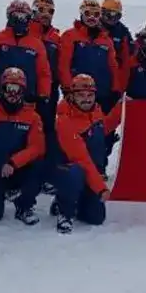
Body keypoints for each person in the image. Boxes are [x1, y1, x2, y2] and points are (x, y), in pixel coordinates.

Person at [0, 67, 47, 225]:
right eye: (9, 88)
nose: (13, 94)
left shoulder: (32, 116)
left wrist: (13, 162)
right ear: (1, 89)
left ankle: (24, 205)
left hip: (16, 169)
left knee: (39, 165)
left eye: (17, 89)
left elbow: (37, 147)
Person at [48, 74, 122, 233]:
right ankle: (64, 211)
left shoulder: (95, 111)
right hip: (67, 170)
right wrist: (101, 189)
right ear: (71, 96)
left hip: (88, 171)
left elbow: (103, 128)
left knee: (96, 218)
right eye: (81, 95)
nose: (86, 100)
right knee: (75, 172)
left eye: (90, 95)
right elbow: (80, 158)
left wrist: (121, 107)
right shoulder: (64, 120)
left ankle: (77, 200)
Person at [0, 0, 54, 128]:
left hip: (27, 101)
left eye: (24, 16)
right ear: (9, 16)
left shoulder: (36, 44)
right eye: (16, 15)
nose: (20, 19)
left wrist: (43, 95)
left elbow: (44, 73)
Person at [59, 0, 122, 112]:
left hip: (103, 94)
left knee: (102, 123)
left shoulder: (106, 40)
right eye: (87, 13)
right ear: (81, 14)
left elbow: (113, 66)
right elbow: (64, 64)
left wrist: (116, 89)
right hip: (79, 95)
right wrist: (67, 88)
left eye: (96, 14)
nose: (91, 17)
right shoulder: (70, 36)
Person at [101, 0, 133, 69]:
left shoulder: (122, 31)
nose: (113, 18)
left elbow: (132, 51)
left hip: (113, 70)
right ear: (102, 12)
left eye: (117, 15)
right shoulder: (93, 26)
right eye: (110, 14)